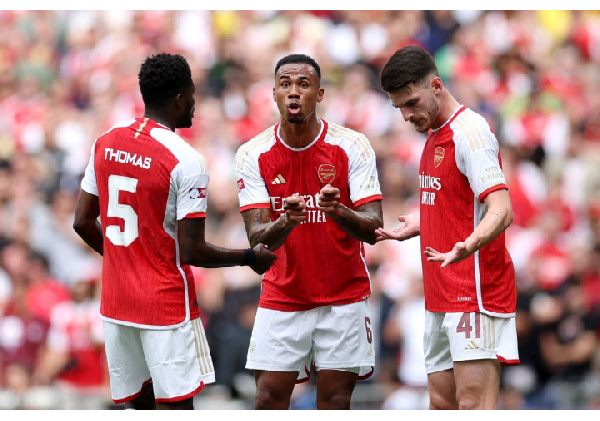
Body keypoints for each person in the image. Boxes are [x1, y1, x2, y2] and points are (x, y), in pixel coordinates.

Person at [72, 53, 276, 410]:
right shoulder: (185, 160)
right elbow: (193, 250)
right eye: (193, 95)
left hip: (117, 303)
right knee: (177, 407)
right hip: (164, 307)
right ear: (180, 98)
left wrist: (124, 260)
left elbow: (82, 221)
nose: (195, 104)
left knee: (140, 405)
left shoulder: (105, 141)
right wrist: (248, 257)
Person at [233, 53, 384, 410]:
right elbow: (256, 238)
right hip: (283, 294)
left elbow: (374, 226)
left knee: (334, 400)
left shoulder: (352, 145)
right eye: (286, 84)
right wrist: (285, 220)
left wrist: (338, 210)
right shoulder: (253, 154)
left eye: (304, 84)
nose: (294, 92)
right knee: (268, 397)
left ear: (320, 94)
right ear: (273, 93)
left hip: (343, 295)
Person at [376, 44, 520, 410]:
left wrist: (467, 245)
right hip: (439, 293)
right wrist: (424, 221)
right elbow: (460, 205)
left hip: (473, 293)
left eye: (411, 103)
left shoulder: (470, 133)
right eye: (399, 108)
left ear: (436, 85)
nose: (407, 115)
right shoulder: (433, 134)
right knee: (441, 404)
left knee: (473, 404)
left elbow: (502, 210)